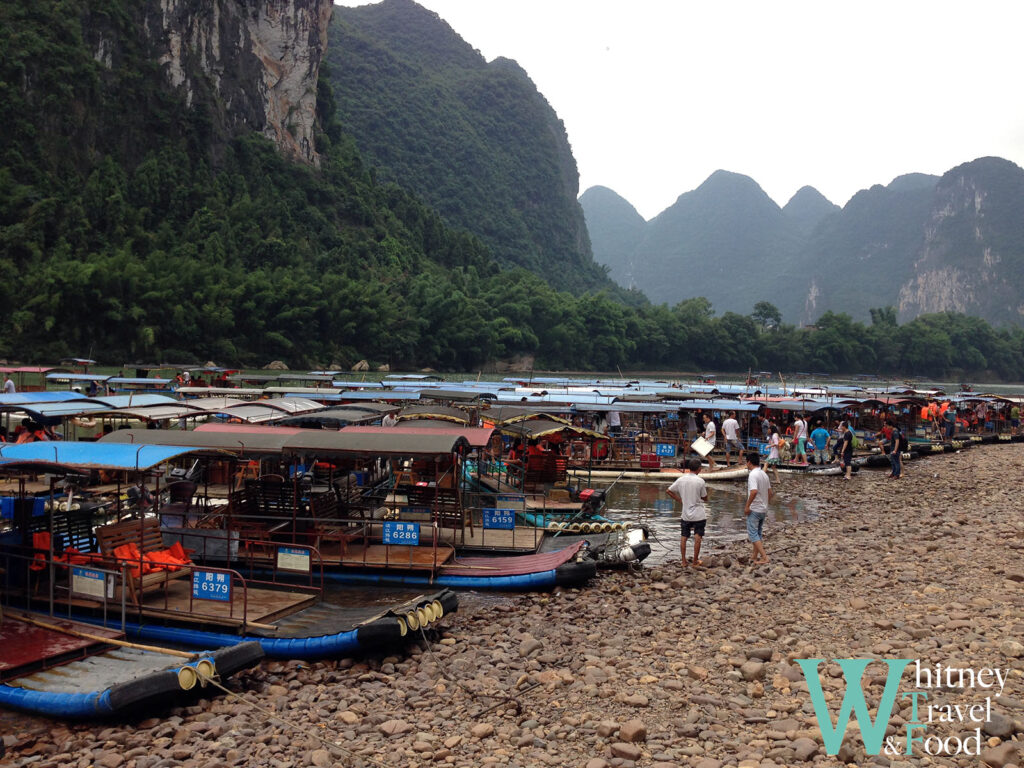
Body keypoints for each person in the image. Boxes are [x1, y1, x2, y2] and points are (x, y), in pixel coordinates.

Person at [666, 457, 708, 567]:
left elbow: (668, 490)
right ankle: (695, 561)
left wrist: (679, 500)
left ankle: (683, 561)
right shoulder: (700, 481)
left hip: (685, 514)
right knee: (698, 537)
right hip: (699, 514)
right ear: (699, 469)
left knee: (684, 537)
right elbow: (705, 497)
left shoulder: (681, 479)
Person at [744, 452, 772, 565]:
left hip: (755, 508)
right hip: (763, 508)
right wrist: (765, 502)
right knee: (758, 532)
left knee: (752, 533)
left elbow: (754, 491)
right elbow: (770, 492)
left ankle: (764, 557)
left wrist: (747, 506)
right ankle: (754, 556)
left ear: (749, 462)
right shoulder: (764, 474)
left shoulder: (753, 475)